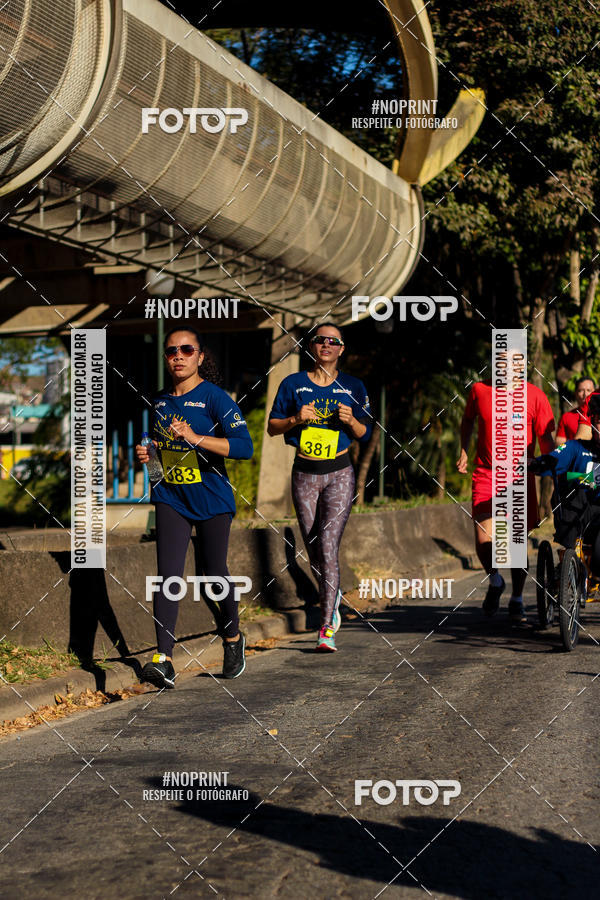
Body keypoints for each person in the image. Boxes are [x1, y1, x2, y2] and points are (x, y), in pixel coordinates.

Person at [136, 328, 253, 689]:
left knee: (212, 575)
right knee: (167, 576)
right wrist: (147, 458)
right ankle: (164, 659)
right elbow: (156, 454)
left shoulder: (216, 398)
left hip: (212, 499)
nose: (178, 355)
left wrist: (196, 437)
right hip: (171, 498)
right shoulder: (158, 402)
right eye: (171, 351)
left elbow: (244, 447)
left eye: (187, 349)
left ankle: (233, 637)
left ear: (200, 357)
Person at [267, 323, 372, 652]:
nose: (326, 345)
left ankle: (327, 625)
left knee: (327, 545)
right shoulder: (292, 383)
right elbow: (272, 427)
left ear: (342, 349)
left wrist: (350, 419)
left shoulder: (353, 386)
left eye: (333, 341)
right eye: (320, 340)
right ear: (311, 346)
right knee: (314, 547)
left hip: (339, 472)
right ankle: (332, 591)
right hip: (304, 473)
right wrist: (297, 419)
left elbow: (364, 432)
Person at [457, 366, 555, 623]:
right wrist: (464, 450)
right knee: (483, 535)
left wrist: (552, 465)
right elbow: (468, 419)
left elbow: (546, 438)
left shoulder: (535, 396)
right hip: (487, 472)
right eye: (500, 361)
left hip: (520, 475)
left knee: (516, 542)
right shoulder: (480, 390)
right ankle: (496, 579)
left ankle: (518, 598)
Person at [530, 392, 600, 562]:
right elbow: (555, 458)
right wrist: (534, 463)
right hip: (573, 512)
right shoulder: (575, 447)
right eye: (599, 420)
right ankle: (569, 563)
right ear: (592, 423)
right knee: (574, 488)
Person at [556, 376, 595, 444]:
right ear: (576, 393)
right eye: (581, 390)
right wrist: (570, 447)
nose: (585, 394)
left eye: (588, 390)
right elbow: (559, 446)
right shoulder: (566, 417)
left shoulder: (597, 415)